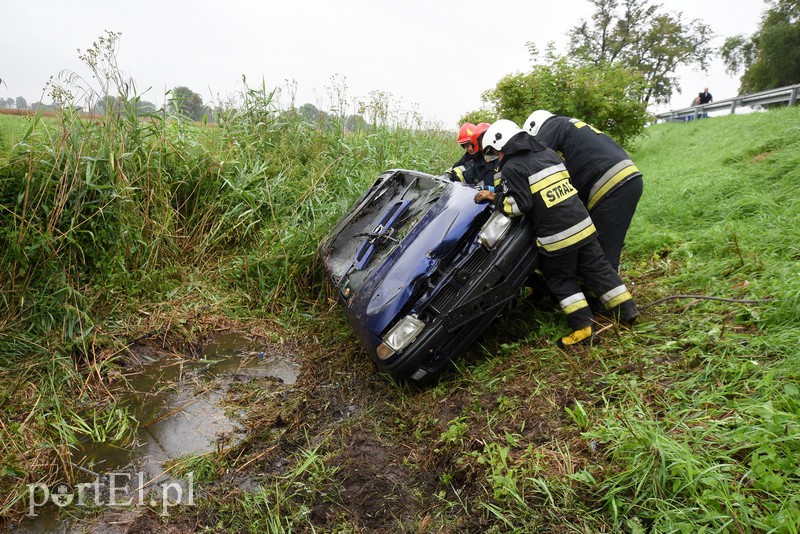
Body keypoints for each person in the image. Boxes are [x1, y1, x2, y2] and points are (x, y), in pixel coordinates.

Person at [474, 119, 638, 348]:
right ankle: (627, 310)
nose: (498, 158)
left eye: (496, 153)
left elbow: (519, 206)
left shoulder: (513, 167)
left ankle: (584, 327)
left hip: (557, 237)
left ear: (502, 147)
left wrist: (497, 199)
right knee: (598, 268)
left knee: (561, 280)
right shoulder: (549, 153)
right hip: (583, 225)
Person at [522, 110, 643, 273]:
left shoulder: (553, 125)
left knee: (603, 254)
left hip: (612, 184)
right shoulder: (570, 126)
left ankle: (604, 293)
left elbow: (535, 159)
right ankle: (603, 286)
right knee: (601, 244)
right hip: (626, 179)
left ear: (535, 129)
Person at [444, 123, 495, 189]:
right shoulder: (474, 162)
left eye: (472, 144)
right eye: (467, 145)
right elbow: (463, 174)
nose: (470, 148)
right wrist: (448, 176)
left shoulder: (500, 160)